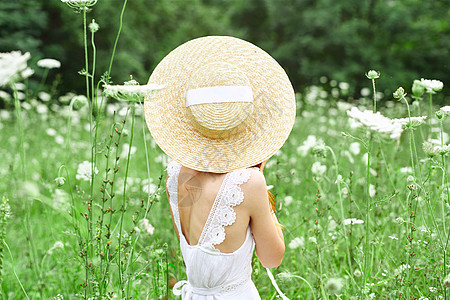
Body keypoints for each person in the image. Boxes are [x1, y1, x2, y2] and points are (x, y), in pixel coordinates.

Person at [144, 36, 296, 299]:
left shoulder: (175, 172)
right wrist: (260, 173)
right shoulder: (249, 182)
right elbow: (272, 258)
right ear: (248, 122)